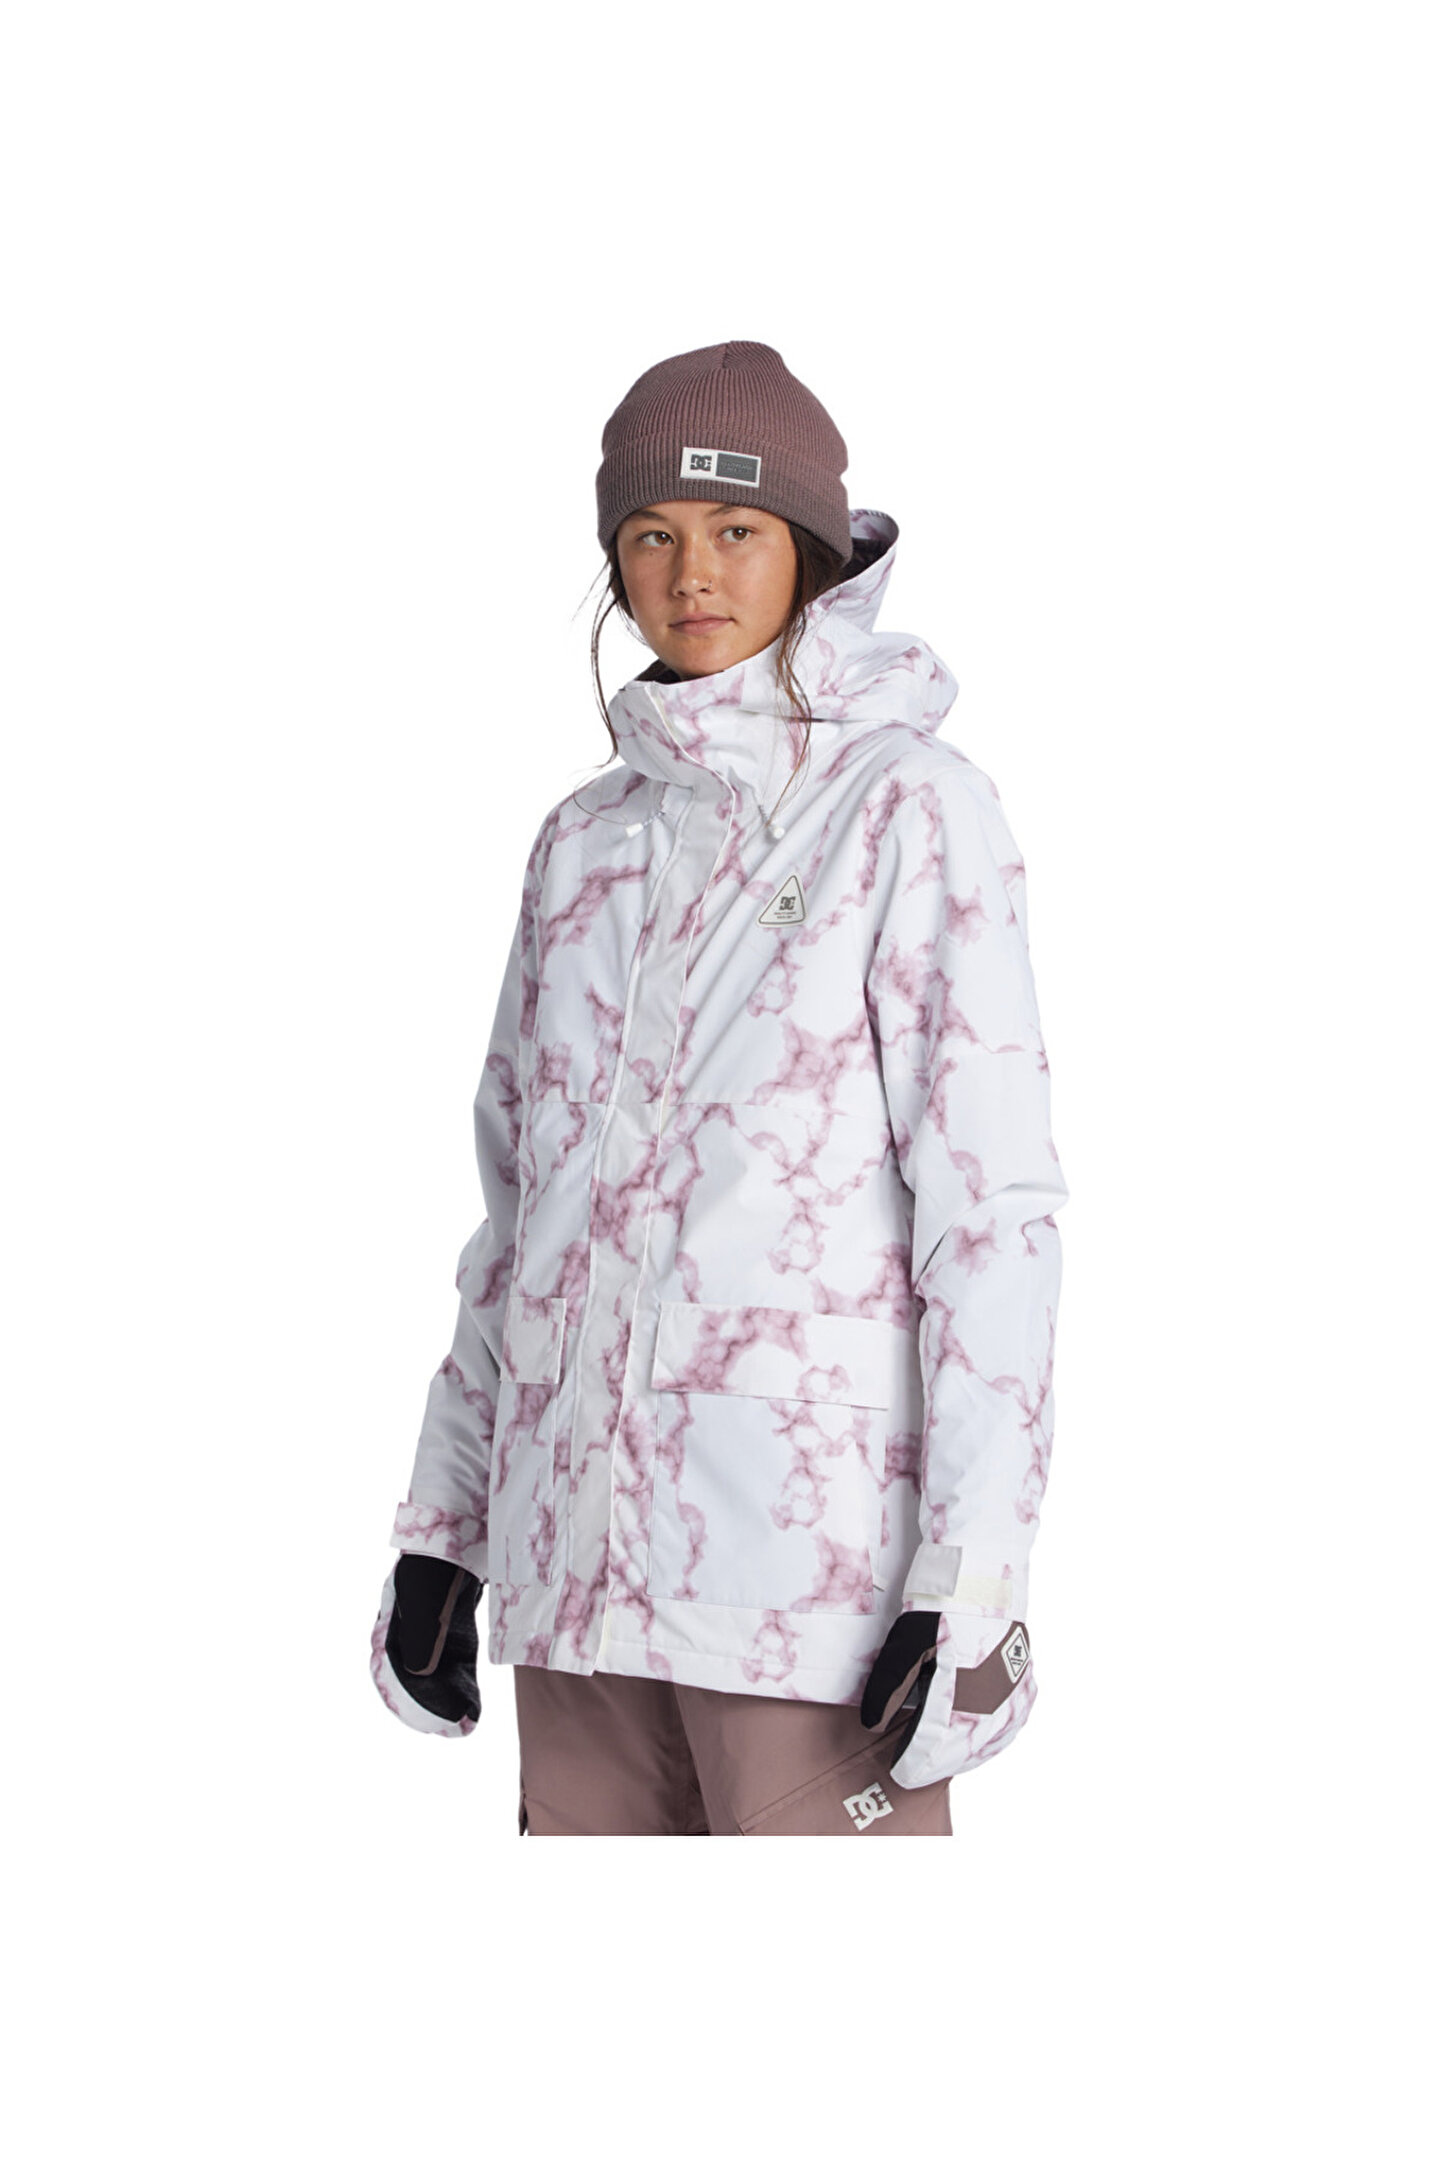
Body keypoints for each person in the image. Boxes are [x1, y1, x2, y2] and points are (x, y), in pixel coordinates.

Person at [369, 340, 1067, 1836]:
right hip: (574, 1584)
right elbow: (520, 1222)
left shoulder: (907, 811)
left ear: (811, 548)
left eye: (736, 528)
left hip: (806, 1597)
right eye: (650, 536)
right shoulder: (584, 843)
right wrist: (447, 1528)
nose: (691, 573)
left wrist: (974, 1577)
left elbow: (991, 1218)